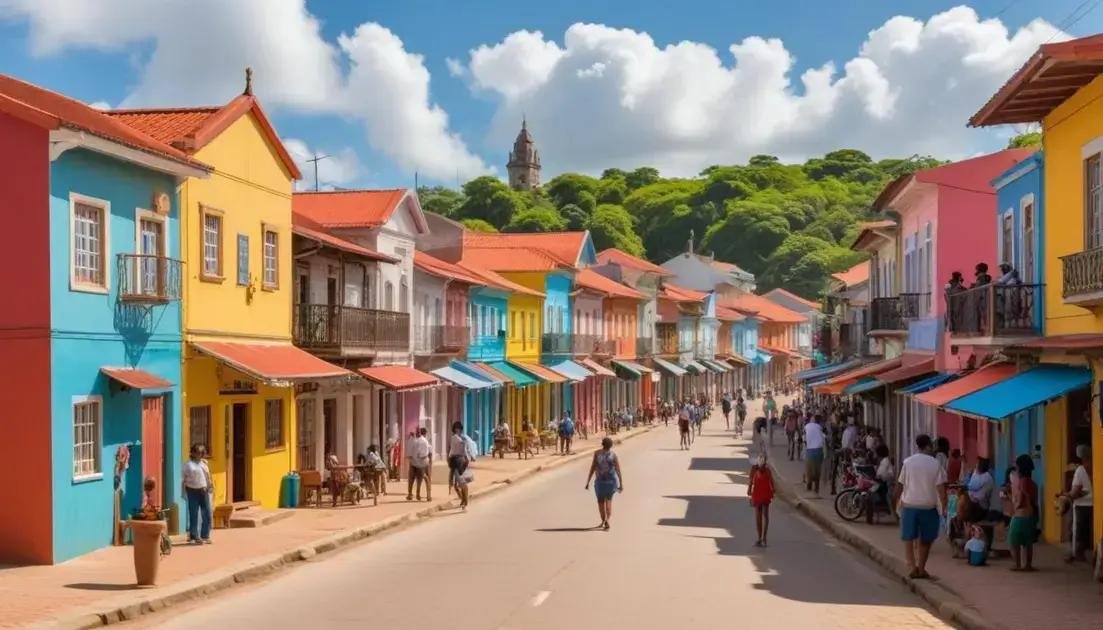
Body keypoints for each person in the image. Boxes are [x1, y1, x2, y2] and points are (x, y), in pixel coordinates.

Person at [894, 434, 947, 580]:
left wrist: (896, 501)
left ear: (917, 446)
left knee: (908, 537)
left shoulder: (908, 462)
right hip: (928, 506)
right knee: (926, 539)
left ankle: (912, 567)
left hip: (909, 504)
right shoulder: (935, 463)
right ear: (929, 446)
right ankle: (922, 568)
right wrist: (944, 506)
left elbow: (900, 484)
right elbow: (941, 488)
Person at [1062, 445, 1093, 562]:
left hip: (1081, 505)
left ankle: (1076, 554)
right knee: (1087, 530)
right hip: (1094, 505)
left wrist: (1065, 495)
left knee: (1076, 530)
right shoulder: (1098, 466)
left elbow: (1075, 492)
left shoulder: (1080, 470)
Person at [585, 437, 623, 530]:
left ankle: (603, 520)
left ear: (602, 444)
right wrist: (621, 484)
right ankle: (607, 520)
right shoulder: (613, 455)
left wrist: (588, 481)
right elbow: (618, 470)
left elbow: (593, 467)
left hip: (600, 482)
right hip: (611, 482)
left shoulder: (597, 454)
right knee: (609, 500)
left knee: (600, 502)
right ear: (611, 446)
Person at [1009, 454, 1038, 571]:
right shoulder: (1033, 483)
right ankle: (1028, 565)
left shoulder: (1022, 482)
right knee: (1028, 542)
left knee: (1014, 541)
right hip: (1030, 516)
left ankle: (1017, 564)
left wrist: (1015, 507)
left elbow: (1021, 498)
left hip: (1020, 516)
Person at [182, 444, 213, 545]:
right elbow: (183, 478)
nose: (199, 455)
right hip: (192, 491)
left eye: (201, 453)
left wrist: (210, 487)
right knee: (193, 514)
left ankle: (205, 535)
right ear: (193, 453)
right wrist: (184, 491)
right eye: (197, 452)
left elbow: (208, 477)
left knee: (207, 513)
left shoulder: (204, 464)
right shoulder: (188, 465)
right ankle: (193, 536)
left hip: (203, 491)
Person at [748, 455, 775, 547]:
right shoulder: (767, 471)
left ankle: (760, 538)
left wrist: (749, 491)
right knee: (765, 516)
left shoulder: (754, 470)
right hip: (765, 495)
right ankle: (764, 538)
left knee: (758, 517)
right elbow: (772, 483)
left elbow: (750, 482)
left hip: (758, 495)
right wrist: (773, 491)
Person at [447, 421, 470, 510]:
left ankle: (465, 501)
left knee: (460, 482)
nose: (460, 431)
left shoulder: (455, 438)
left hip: (457, 462)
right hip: (458, 461)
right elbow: (462, 450)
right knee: (458, 483)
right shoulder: (457, 438)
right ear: (457, 429)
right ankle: (463, 500)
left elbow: (453, 451)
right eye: (459, 429)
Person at [406, 428, 432, 502]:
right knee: (425, 479)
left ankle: (412, 494)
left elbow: (409, 453)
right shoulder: (424, 441)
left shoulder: (414, 440)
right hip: (422, 463)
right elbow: (425, 454)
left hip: (415, 463)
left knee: (413, 479)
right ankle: (427, 496)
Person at [803, 415, 825, 495]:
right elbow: (823, 438)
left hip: (810, 450)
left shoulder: (806, 427)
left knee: (809, 469)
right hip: (819, 450)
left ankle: (809, 485)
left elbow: (804, 439)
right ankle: (816, 488)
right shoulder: (819, 427)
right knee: (817, 469)